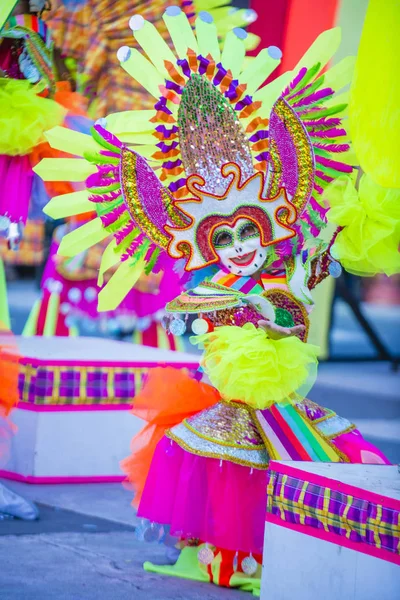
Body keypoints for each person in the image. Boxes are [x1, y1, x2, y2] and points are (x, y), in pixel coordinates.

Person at [34, 8, 396, 592]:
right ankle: (221, 555)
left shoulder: (283, 269)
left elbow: (294, 310)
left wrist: (325, 250)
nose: (239, 248)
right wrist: (234, 310)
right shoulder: (211, 288)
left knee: (278, 462)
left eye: (248, 230)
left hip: (279, 405)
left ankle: (269, 549)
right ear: (202, 244)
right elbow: (185, 321)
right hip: (229, 402)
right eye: (221, 238)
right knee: (208, 462)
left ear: (269, 222)